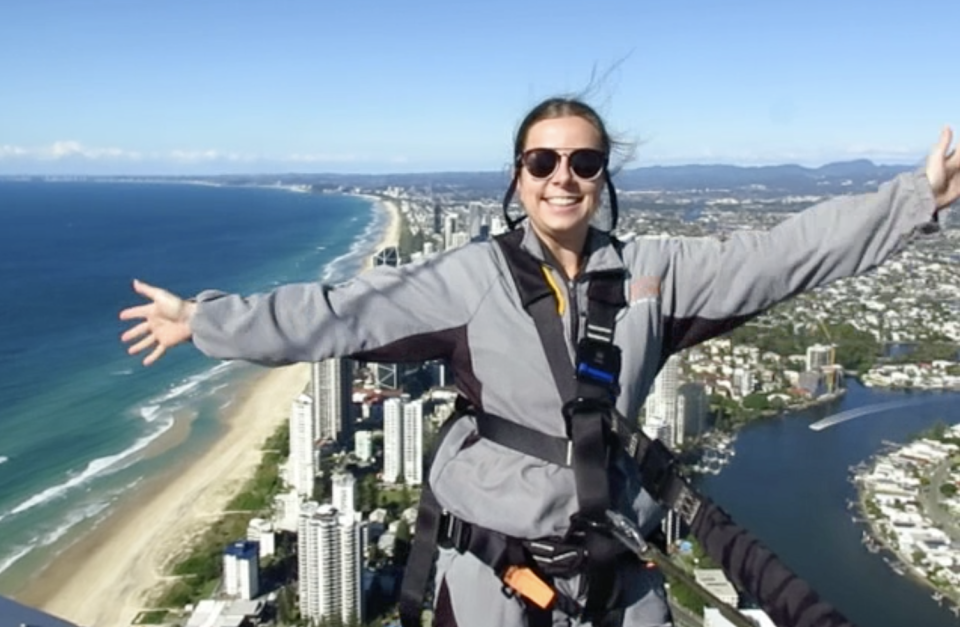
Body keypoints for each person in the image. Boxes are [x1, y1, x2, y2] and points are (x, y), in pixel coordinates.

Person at [120, 97, 960, 627]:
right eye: (543, 161)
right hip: (495, 561)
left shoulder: (654, 274)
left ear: (602, 177)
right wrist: (206, 320)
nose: (564, 176)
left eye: (583, 161)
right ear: (519, 178)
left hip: (611, 549)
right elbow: (340, 313)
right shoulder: (467, 278)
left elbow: (783, 254)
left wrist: (911, 198)